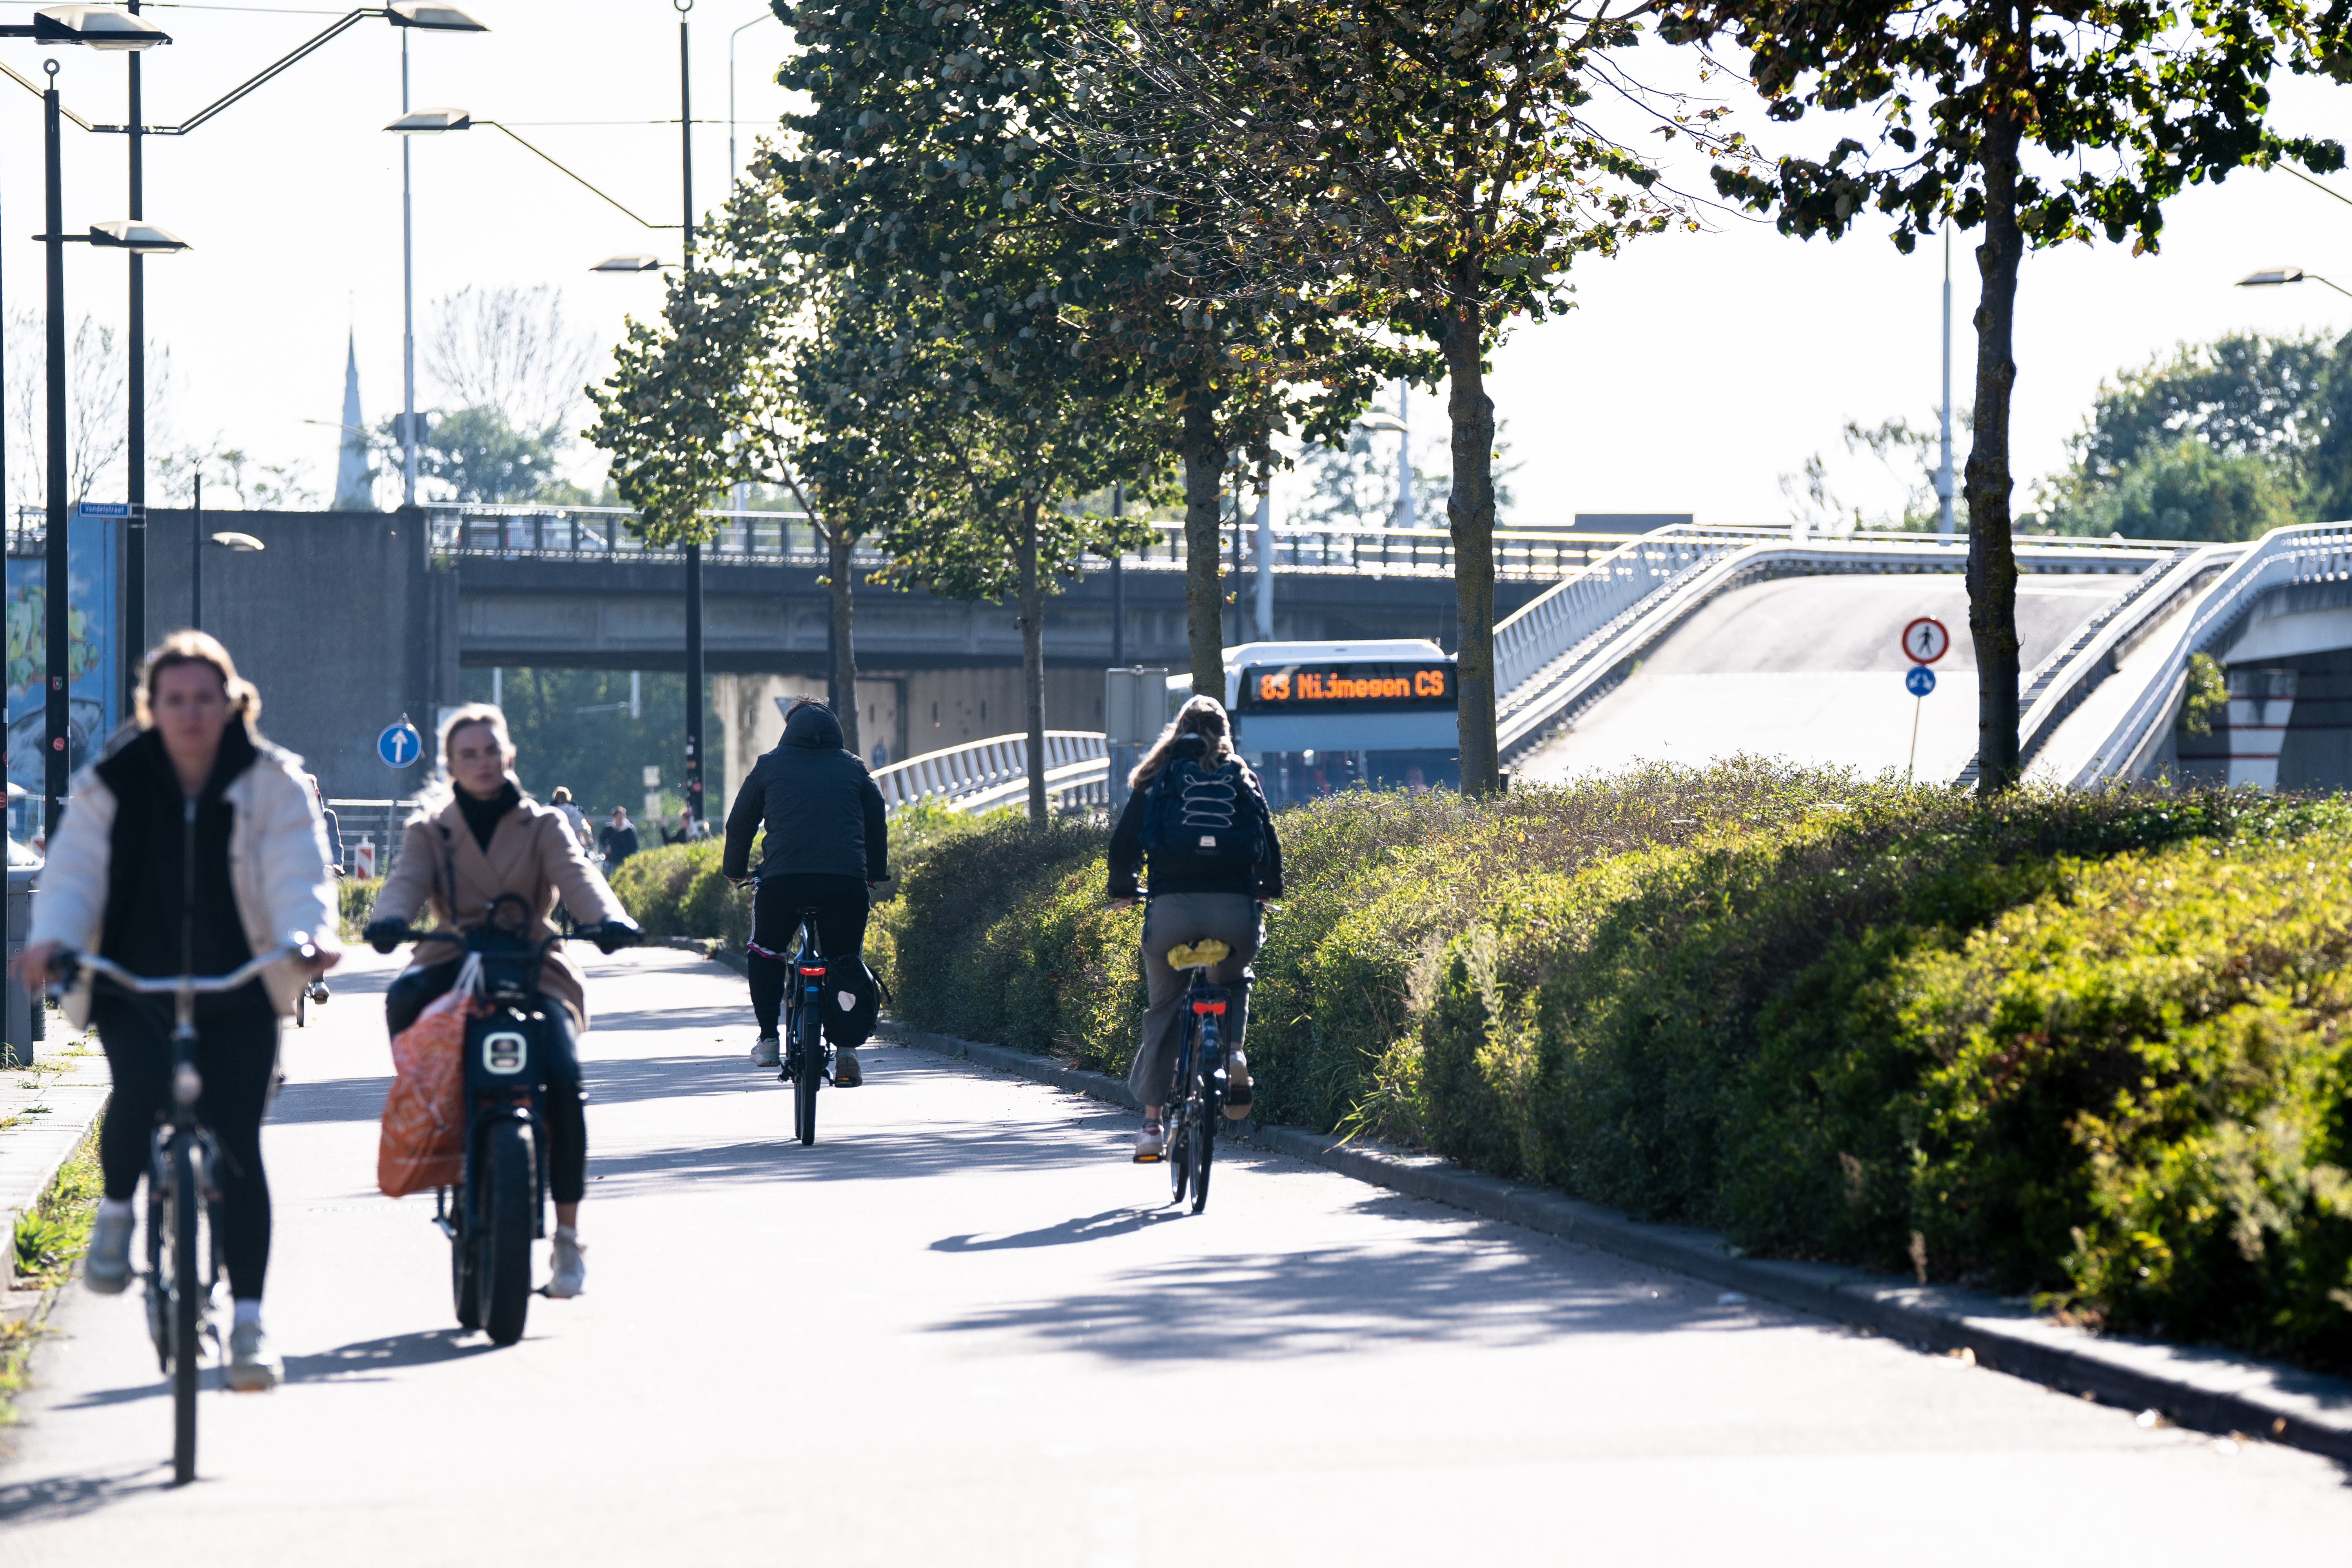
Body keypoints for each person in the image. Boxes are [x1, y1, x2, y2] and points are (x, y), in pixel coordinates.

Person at [12, 631, 339, 1390]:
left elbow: (300, 869)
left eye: (205, 699)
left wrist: (309, 934)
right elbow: (72, 870)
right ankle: (118, 1211)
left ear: (232, 704)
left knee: (237, 1140)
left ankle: (250, 1324)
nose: (190, 713)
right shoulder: (114, 781)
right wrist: (54, 937)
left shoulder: (272, 781)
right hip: (135, 975)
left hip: (244, 978)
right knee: (140, 1082)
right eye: (174, 700)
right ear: (151, 708)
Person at [363, 704, 638, 1300]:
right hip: (453, 958)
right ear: (451, 765)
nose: (483, 763)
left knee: (564, 1079)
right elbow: (407, 881)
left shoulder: (543, 825)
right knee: (403, 998)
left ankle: (567, 1236)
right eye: (470, 754)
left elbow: (579, 880)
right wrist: (389, 918)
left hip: (532, 961)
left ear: (509, 756)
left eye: (492, 751)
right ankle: (431, 1102)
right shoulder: (429, 831)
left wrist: (610, 919)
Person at [1106, 695, 1283, 1161]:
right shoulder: (1240, 771)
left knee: (1165, 1008)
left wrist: (1123, 888)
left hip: (1171, 912)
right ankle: (1234, 1055)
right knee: (1235, 976)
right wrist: (1268, 887)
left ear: (1178, 728)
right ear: (1225, 731)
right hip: (1233, 913)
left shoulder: (1157, 775)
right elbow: (1268, 837)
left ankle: (1150, 1126)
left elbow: (1123, 844)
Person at [722, 697, 886, 1082]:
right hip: (844, 883)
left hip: (784, 882)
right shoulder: (854, 769)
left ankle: (767, 1040)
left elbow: (740, 824)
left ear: (789, 730)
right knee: (844, 958)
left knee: (766, 950)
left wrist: (735, 871)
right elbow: (876, 821)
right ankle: (847, 1048)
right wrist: (873, 872)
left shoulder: (770, 765)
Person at [307, 773, 344, 875]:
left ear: (316, 792)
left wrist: (337, 865)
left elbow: (335, 846)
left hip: (321, 875)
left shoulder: (328, 817)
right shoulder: (288, 818)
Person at [549, 785, 592, 856]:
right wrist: (588, 842)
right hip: (573, 849)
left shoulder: (548, 813)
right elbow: (585, 830)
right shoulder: (576, 813)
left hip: (553, 850)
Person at [598, 806, 639, 876]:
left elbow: (635, 846)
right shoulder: (610, 829)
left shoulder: (629, 830)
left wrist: (632, 859)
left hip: (625, 859)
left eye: (622, 816)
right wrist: (607, 846)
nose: (621, 819)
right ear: (615, 817)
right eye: (619, 816)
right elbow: (602, 838)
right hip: (612, 859)